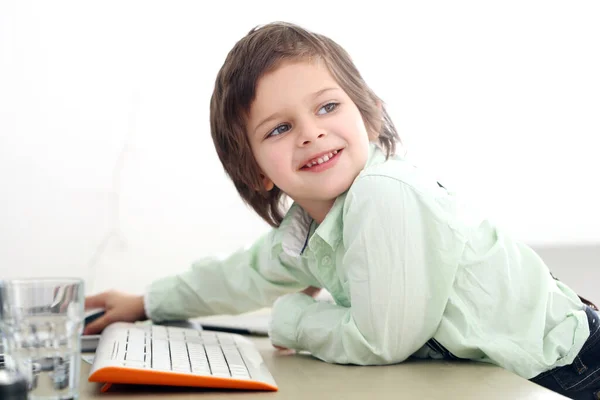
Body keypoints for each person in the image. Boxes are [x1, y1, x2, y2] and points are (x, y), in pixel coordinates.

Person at [84, 21, 599, 399]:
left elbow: (382, 341)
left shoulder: (384, 192)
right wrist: (147, 302)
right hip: (515, 376)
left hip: (570, 369)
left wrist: (292, 317)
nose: (311, 132)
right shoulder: (310, 226)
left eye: (327, 107)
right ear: (258, 171)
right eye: (279, 129)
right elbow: (243, 274)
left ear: (369, 115)